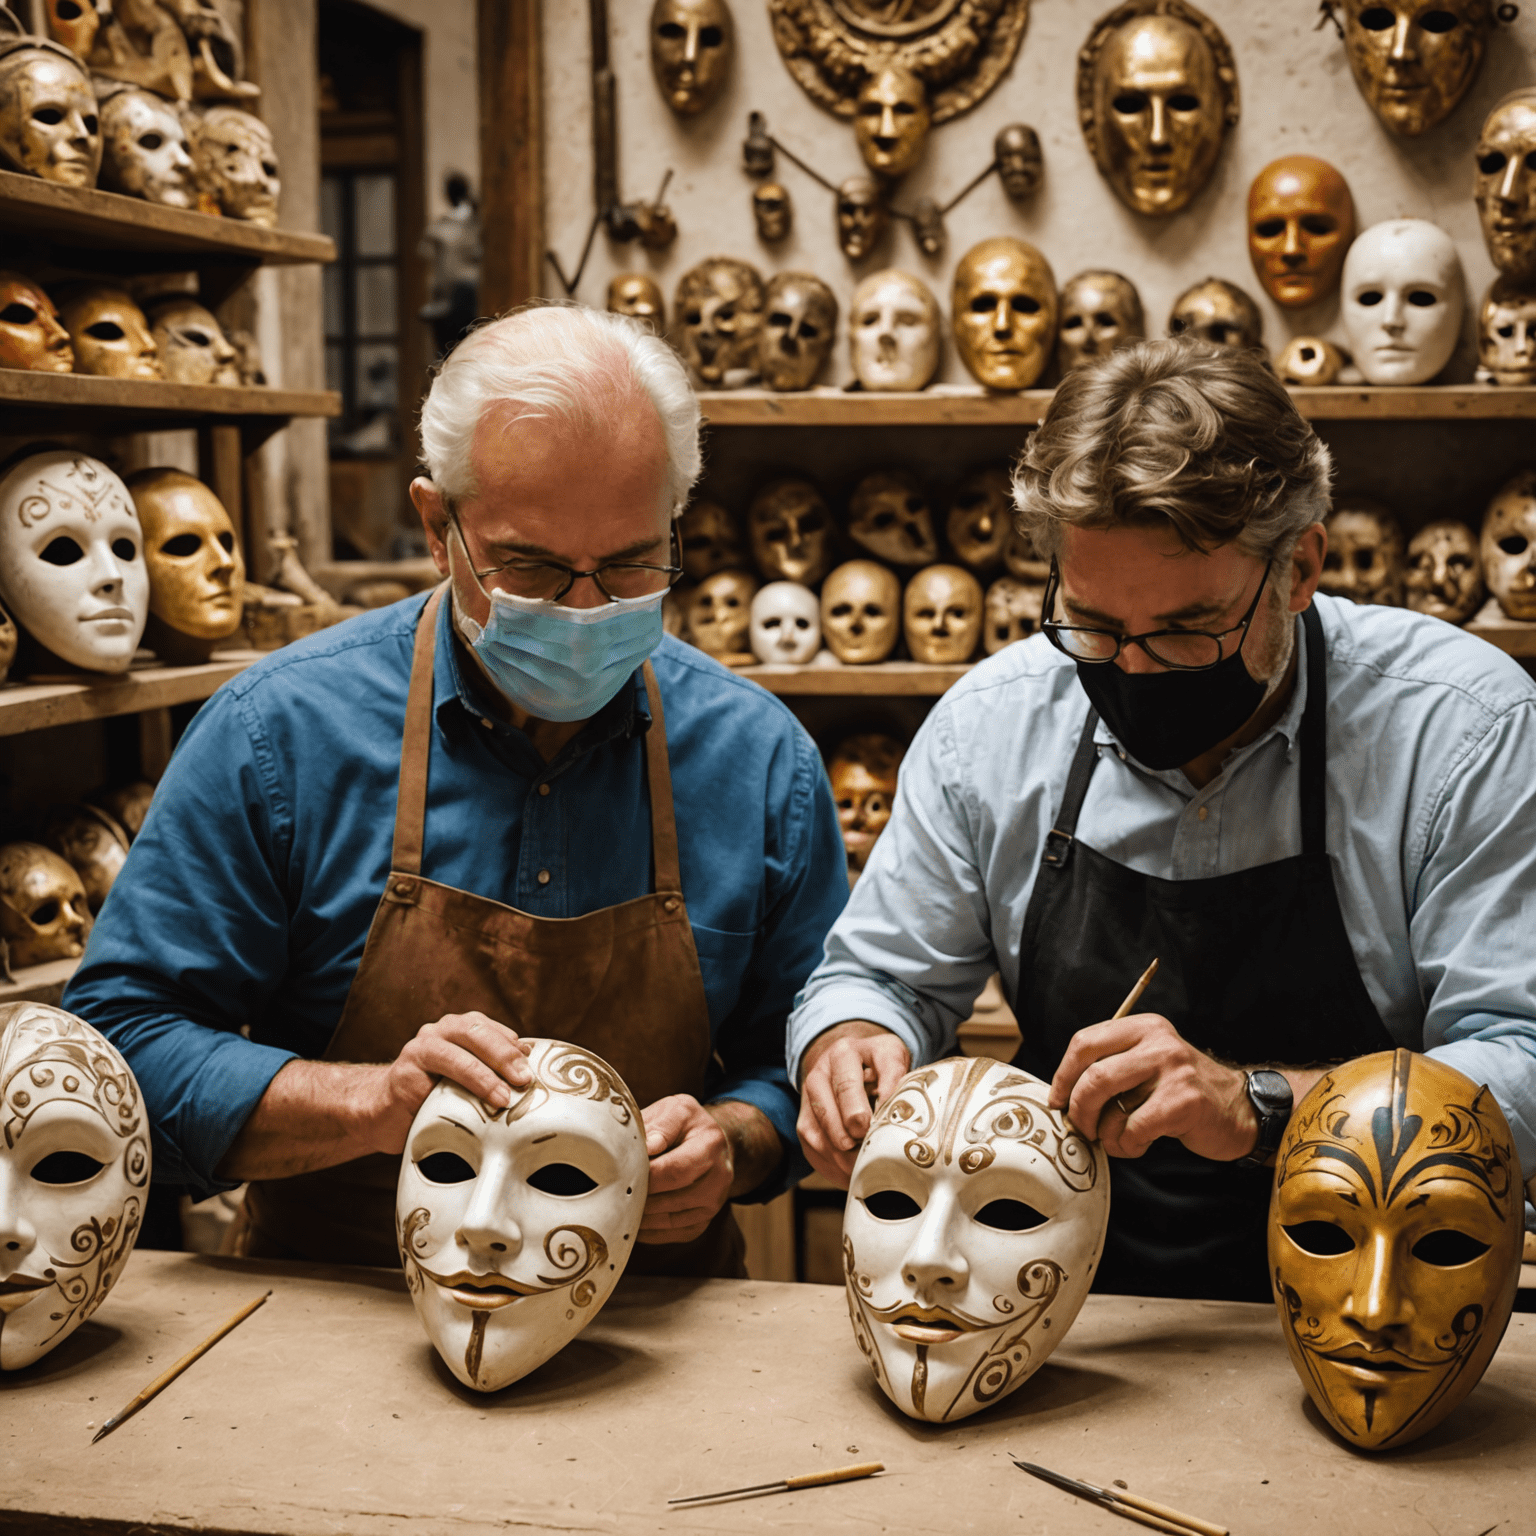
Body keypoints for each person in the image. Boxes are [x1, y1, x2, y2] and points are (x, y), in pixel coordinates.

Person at [67, 304, 847, 1276]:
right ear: (439, 526)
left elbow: (804, 1058)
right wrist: (370, 1104)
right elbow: (118, 1053)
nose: (583, 608)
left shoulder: (757, 758)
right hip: (341, 1306)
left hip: (653, 1327)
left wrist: (736, 1143)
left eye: (631, 564)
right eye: (531, 566)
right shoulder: (279, 734)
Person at [790, 339, 1536, 1303]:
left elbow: (1520, 1067)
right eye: (1095, 626)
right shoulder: (994, 727)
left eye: (1186, 630)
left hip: (1376, 1300)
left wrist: (1263, 1105)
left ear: (1300, 566)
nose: (1133, 672)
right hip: (1072, 1306)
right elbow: (879, 973)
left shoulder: (1461, 729)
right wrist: (855, 1040)